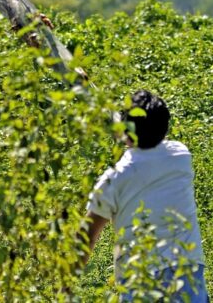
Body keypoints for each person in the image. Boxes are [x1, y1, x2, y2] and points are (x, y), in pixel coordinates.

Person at [83, 90, 207, 302]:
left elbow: (86, 237)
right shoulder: (181, 156)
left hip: (139, 281)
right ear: (165, 126)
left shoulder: (114, 179)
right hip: (187, 277)